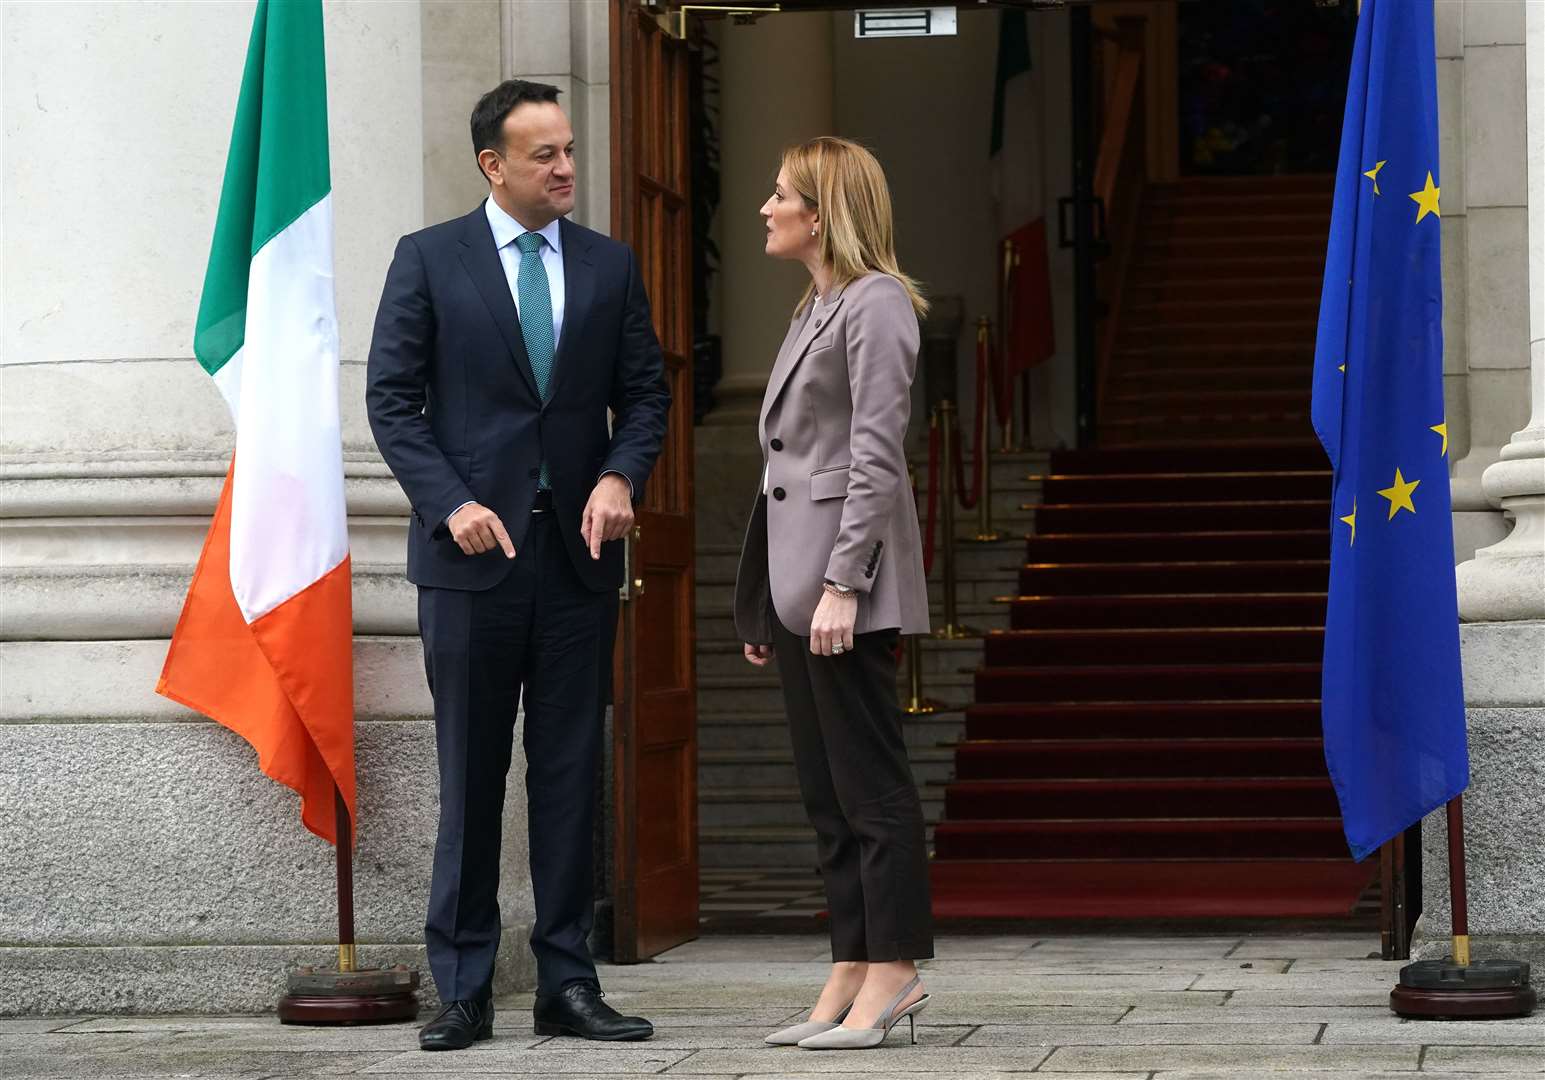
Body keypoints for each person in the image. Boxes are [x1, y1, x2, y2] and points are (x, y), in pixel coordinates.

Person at [366, 79, 670, 1051]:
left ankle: (566, 983)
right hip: (470, 564)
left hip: (576, 563)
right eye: (544, 154)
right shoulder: (428, 260)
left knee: (572, 772)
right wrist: (449, 501)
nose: (566, 167)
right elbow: (392, 401)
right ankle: (461, 986)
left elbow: (646, 395)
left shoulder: (609, 265)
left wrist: (623, 475)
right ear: (493, 164)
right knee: (471, 773)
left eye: (569, 149)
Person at [733, 136, 934, 1051]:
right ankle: (849, 963)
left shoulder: (877, 303)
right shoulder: (816, 305)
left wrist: (842, 584)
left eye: (780, 197)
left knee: (872, 791)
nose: (765, 209)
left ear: (820, 213)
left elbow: (875, 458)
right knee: (827, 795)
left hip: (844, 587)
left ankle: (894, 970)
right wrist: (764, 598)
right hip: (797, 587)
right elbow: (785, 467)